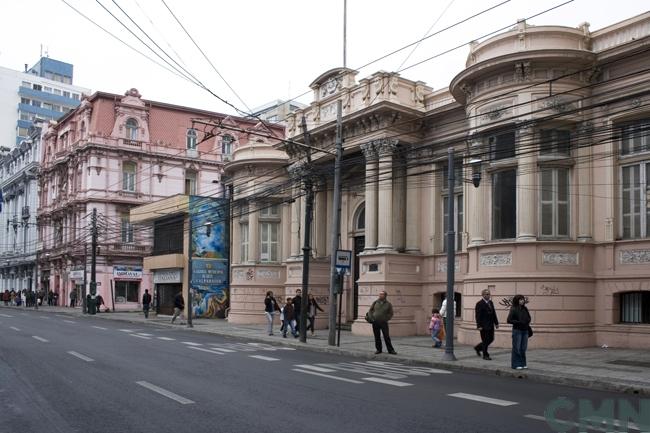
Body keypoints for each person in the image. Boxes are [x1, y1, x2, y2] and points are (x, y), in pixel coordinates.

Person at [368, 291, 396, 355]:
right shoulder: (375, 302)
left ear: (385, 296)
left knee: (386, 336)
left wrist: (386, 319)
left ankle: (391, 350)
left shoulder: (388, 304)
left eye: (382, 294)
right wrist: (371, 318)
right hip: (375, 322)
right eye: (380, 294)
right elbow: (370, 311)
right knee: (377, 337)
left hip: (383, 322)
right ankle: (378, 349)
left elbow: (391, 313)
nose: (380, 295)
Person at [507, 294, 531, 370]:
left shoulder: (525, 308)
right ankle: (515, 364)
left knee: (523, 348)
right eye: (520, 299)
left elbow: (529, 317)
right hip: (517, 330)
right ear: (517, 300)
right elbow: (509, 320)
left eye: (523, 299)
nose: (522, 301)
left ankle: (523, 363)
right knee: (516, 348)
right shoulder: (513, 308)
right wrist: (519, 322)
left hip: (525, 330)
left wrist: (527, 321)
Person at [474, 288, 499, 360]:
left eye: (489, 294)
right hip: (483, 326)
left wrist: (496, 323)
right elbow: (477, 316)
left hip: (491, 325)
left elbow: (494, 313)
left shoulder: (491, 302)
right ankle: (485, 355)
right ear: (483, 295)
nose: (488, 295)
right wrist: (479, 325)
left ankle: (478, 348)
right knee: (485, 340)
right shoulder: (479, 304)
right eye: (487, 294)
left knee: (491, 339)